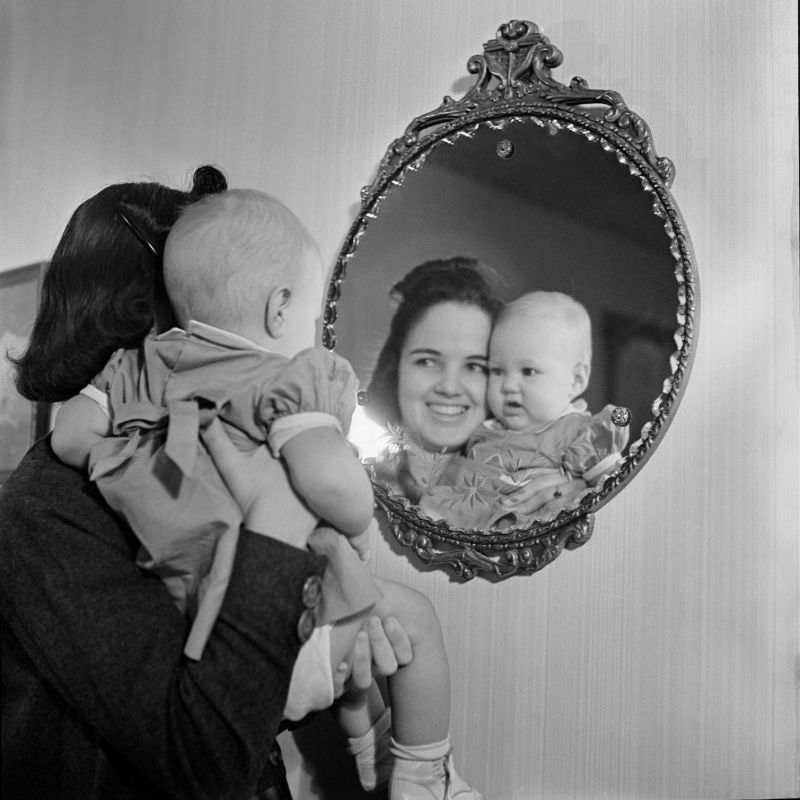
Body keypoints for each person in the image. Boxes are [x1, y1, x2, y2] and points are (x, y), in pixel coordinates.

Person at [48, 189, 483, 800]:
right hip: (274, 622)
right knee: (413, 619)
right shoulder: (284, 377)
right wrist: (358, 519)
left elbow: (68, 434)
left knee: (353, 635)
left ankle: (370, 753)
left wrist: (130, 462)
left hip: (197, 629)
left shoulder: (138, 367)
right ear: (280, 309)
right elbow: (332, 484)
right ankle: (425, 779)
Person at [366, 259, 589, 520]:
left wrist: (586, 495)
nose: (449, 387)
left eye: (475, 366)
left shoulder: (553, 477)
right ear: (396, 368)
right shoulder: (353, 486)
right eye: (427, 361)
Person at [418, 291, 630, 529]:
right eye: (497, 371)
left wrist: (589, 487)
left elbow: (619, 494)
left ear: (576, 380)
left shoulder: (581, 434)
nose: (508, 386)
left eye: (528, 371)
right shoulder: (485, 428)